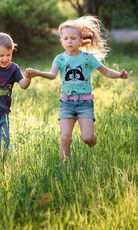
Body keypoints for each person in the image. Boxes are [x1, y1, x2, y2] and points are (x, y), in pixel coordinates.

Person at [25, 16, 129, 160]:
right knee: (65, 138)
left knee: (87, 138)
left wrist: (119, 75)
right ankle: (65, 167)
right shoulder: (59, 59)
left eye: (73, 38)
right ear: (61, 41)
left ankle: (92, 139)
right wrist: (37, 73)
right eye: (66, 38)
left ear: (80, 40)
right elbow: (52, 75)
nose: (69, 41)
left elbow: (106, 71)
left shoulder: (88, 57)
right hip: (66, 103)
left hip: (84, 104)